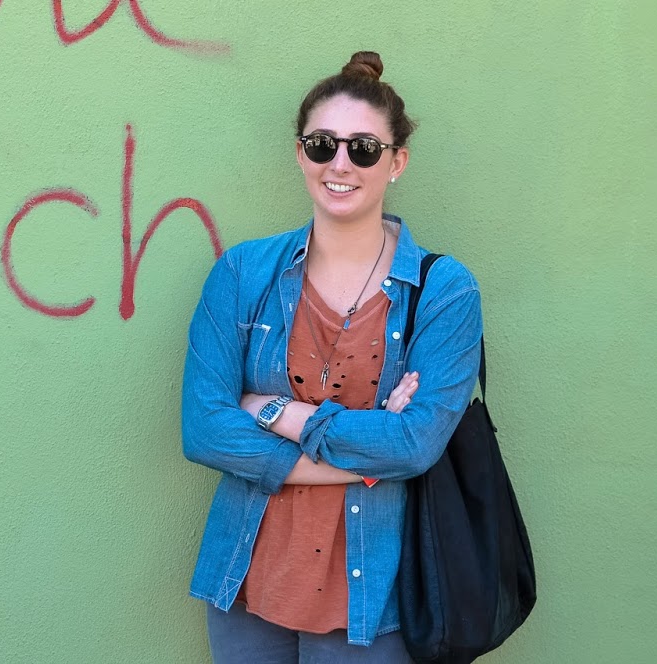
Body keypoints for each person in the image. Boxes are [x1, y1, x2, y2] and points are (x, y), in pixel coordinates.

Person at [181, 52, 483, 661]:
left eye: (364, 149)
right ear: (301, 154)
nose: (340, 164)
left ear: (396, 162)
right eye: (322, 145)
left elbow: (415, 446)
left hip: (374, 606)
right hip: (245, 586)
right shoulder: (243, 273)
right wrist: (368, 459)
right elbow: (205, 431)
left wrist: (275, 412)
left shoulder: (444, 293)